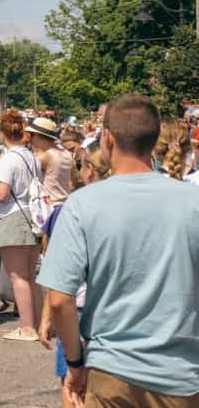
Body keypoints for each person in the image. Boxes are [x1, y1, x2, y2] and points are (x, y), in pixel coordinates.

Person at [39, 95, 199, 407]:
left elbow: (59, 300)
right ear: (153, 140)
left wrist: (74, 364)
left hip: (112, 370)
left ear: (108, 138)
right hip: (182, 375)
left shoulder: (83, 205)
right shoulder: (193, 202)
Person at [39, 144, 110, 408]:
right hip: (110, 310)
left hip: (76, 311)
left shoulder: (68, 210)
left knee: (72, 385)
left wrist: (47, 316)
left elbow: (59, 276)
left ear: (89, 171)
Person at [0, 109, 43, 342]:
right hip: (33, 217)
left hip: (14, 218)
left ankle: (27, 328)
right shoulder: (32, 157)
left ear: (2, 133)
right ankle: (37, 323)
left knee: (19, 278)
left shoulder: (8, 159)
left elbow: (2, 194)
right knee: (30, 276)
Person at [30, 116, 74, 243]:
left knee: (48, 250)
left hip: (50, 207)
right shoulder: (65, 153)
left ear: (39, 136)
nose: (30, 139)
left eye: (32, 135)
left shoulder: (45, 156)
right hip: (65, 203)